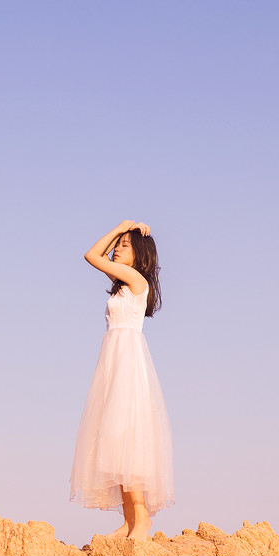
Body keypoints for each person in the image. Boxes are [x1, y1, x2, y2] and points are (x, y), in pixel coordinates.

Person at [70, 219, 174, 539]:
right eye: (118, 245)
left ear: (139, 254)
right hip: (113, 360)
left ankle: (142, 518)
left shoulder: (136, 278)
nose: (116, 249)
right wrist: (119, 233)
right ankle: (130, 521)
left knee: (128, 438)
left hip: (127, 360)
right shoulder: (124, 282)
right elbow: (94, 255)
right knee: (114, 438)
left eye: (124, 246)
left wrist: (118, 228)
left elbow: (91, 256)